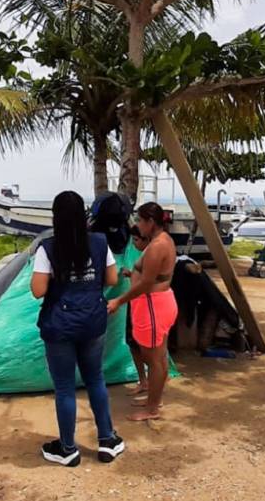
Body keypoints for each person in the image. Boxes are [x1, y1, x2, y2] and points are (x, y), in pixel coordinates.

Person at [30, 191, 125, 467]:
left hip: (60, 325)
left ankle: (68, 449)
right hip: (93, 321)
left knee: (64, 387)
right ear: (83, 214)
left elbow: (38, 290)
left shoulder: (48, 248)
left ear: (55, 217)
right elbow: (112, 278)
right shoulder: (99, 242)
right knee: (95, 379)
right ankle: (107, 440)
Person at [107, 202, 178, 422]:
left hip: (153, 306)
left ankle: (152, 409)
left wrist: (119, 301)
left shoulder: (157, 246)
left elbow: (147, 283)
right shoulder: (162, 241)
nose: (137, 225)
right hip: (157, 303)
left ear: (151, 222)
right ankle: (154, 400)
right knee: (159, 357)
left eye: (140, 220)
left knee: (154, 359)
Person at [121, 225, 150, 398]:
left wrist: (119, 301)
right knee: (133, 343)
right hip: (135, 304)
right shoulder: (141, 255)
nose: (134, 243)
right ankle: (143, 381)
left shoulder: (153, 255)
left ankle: (152, 391)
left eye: (136, 240)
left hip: (146, 306)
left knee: (148, 349)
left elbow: (148, 283)